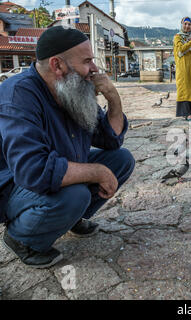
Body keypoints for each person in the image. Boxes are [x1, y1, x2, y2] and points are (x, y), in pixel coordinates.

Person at [0, 26, 135, 268]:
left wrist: (114, 98)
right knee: (76, 193)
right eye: (87, 61)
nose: (94, 68)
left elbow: (111, 140)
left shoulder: (72, 88)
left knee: (121, 160)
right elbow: (33, 170)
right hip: (16, 187)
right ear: (57, 65)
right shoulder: (18, 95)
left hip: (56, 175)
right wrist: (97, 172)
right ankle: (21, 237)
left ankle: (71, 218)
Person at [173, 17, 191, 121]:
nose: (187, 26)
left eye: (189, 24)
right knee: (184, 90)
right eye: (185, 24)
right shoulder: (178, 37)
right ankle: (187, 114)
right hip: (183, 70)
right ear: (181, 25)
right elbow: (181, 49)